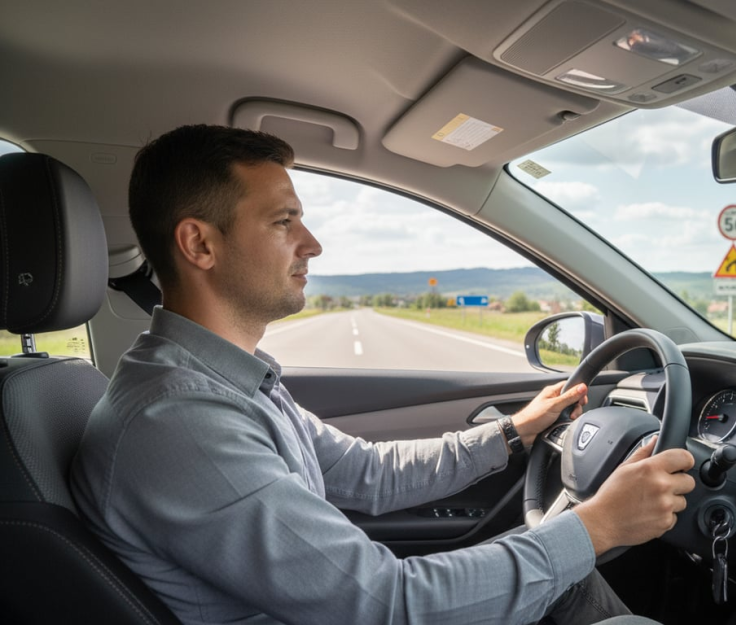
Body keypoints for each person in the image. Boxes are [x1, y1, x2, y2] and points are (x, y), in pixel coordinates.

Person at [70, 125, 696, 625]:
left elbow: (366, 472)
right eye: (284, 221)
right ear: (200, 245)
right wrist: (598, 524)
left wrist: (513, 433)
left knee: (568, 578)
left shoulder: (226, 383)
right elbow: (385, 604)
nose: (311, 243)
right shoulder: (181, 418)